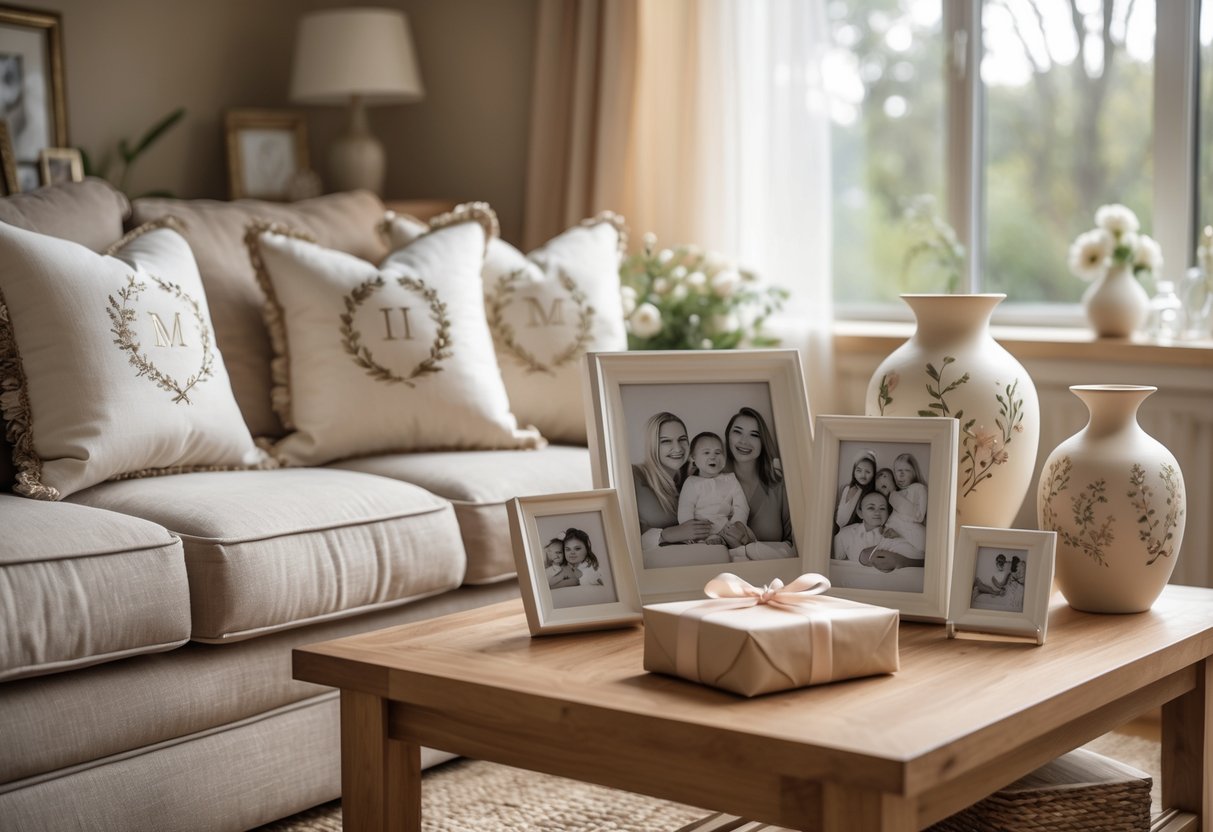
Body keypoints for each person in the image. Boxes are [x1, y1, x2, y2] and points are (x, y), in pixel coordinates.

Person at [718, 407, 795, 561]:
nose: (744, 441)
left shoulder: (779, 485)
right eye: (737, 432)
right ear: (728, 436)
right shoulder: (709, 481)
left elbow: (793, 548)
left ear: (763, 443)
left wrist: (749, 544)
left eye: (754, 435)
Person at [632, 412, 712, 549]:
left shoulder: (693, 476)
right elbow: (625, 539)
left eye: (682, 439)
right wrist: (666, 534)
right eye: (665, 441)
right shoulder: (633, 475)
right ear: (652, 445)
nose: (678, 448)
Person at [677, 432, 749, 545]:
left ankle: (738, 546)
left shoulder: (731, 480)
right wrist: (689, 531)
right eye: (706, 452)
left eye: (718, 452)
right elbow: (685, 509)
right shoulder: (691, 482)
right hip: (702, 530)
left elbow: (742, 506)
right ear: (693, 458)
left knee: (744, 538)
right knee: (706, 543)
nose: (713, 456)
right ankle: (712, 542)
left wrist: (738, 524)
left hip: (728, 527)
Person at [884, 453, 927, 556]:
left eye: (906, 470)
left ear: (914, 472)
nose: (900, 475)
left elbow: (918, 515)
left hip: (912, 536)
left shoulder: (919, 488)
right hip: (895, 535)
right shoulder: (896, 493)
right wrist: (888, 529)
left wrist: (893, 495)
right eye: (897, 471)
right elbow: (894, 519)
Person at [833, 491, 890, 561]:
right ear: (860, 513)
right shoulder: (844, 534)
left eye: (882, 508)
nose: (877, 512)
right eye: (871, 508)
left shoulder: (893, 537)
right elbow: (834, 563)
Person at [835, 450, 877, 533]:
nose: (863, 475)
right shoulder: (844, 488)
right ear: (854, 471)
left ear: (873, 474)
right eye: (859, 470)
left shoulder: (870, 495)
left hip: (853, 534)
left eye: (868, 472)